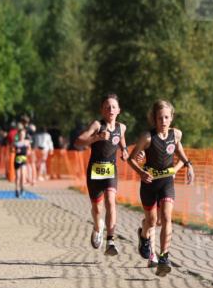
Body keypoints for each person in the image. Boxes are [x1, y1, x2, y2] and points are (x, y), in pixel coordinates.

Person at [128, 100, 195, 276]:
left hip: (166, 182)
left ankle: (164, 256)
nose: (163, 121)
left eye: (166, 117)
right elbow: (131, 159)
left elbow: (180, 154)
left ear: (171, 117)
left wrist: (188, 165)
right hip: (149, 184)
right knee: (151, 221)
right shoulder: (147, 137)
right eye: (160, 118)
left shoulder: (176, 135)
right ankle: (143, 236)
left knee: (166, 217)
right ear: (154, 119)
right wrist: (141, 172)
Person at [76, 95, 129, 254]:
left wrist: (125, 151)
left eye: (113, 107)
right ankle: (97, 226)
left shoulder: (122, 127)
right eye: (107, 107)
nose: (110, 109)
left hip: (110, 171)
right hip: (94, 172)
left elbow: (121, 141)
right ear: (102, 110)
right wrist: (97, 137)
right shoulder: (97, 125)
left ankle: (110, 241)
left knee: (111, 202)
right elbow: (78, 142)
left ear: (118, 110)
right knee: (97, 209)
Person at [13, 127, 32, 198]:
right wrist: (15, 151)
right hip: (17, 160)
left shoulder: (27, 142)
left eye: (23, 134)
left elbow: (30, 151)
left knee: (23, 175)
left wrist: (28, 152)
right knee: (18, 176)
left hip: (23, 160)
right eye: (21, 134)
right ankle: (17, 190)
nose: (22, 135)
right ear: (18, 134)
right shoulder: (16, 143)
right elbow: (11, 150)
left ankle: (22, 188)